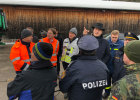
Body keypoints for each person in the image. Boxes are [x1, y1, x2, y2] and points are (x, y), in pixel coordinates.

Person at [59, 35, 109, 100]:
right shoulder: (103, 66)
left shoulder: (74, 67)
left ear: (80, 49)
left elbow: (63, 87)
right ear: (96, 49)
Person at [83, 23, 111, 98]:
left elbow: (108, 55)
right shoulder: (87, 39)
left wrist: (102, 64)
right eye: (95, 29)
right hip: (87, 67)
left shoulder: (105, 42)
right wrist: (84, 36)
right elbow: (80, 46)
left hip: (99, 69)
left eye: (99, 30)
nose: (97, 31)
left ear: (102, 32)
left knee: (97, 88)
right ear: (93, 30)